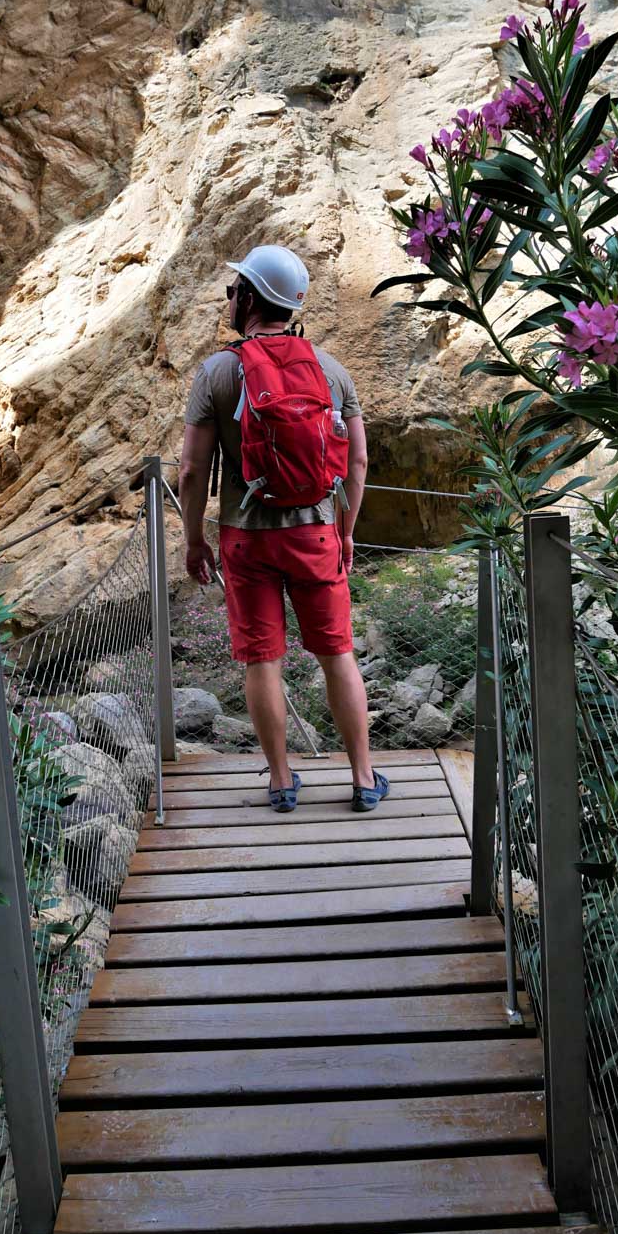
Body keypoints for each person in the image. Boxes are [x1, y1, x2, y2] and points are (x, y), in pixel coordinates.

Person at [177, 245, 389, 814]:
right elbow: (358, 463)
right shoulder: (331, 369)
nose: (229, 299)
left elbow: (193, 468)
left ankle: (279, 779)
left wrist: (194, 537)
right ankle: (364, 777)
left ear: (249, 298)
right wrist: (344, 529)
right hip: (316, 533)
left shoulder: (217, 372)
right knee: (337, 653)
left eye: (233, 290)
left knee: (262, 659)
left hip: (245, 538)